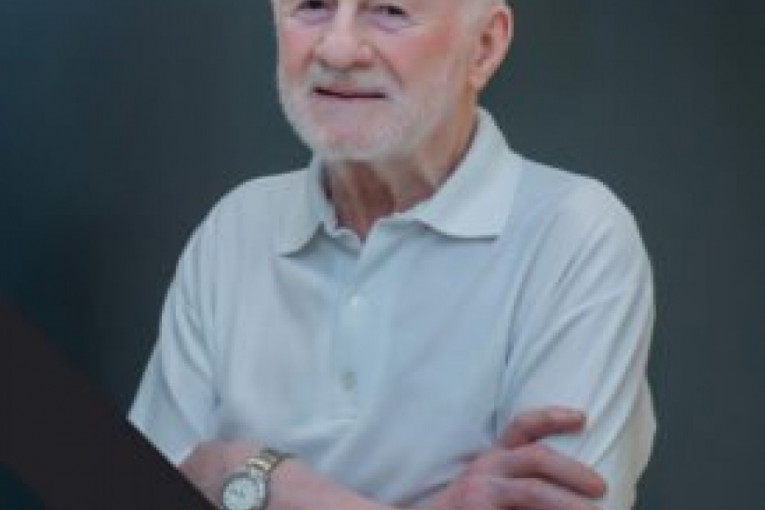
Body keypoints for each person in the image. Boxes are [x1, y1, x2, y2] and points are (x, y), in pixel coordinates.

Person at [129, 1, 655, 510]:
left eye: (389, 11)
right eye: (312, 5)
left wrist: (252, 479)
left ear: (484, 47)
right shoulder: (236, 228)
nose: (337, 49)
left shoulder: (570, 234)